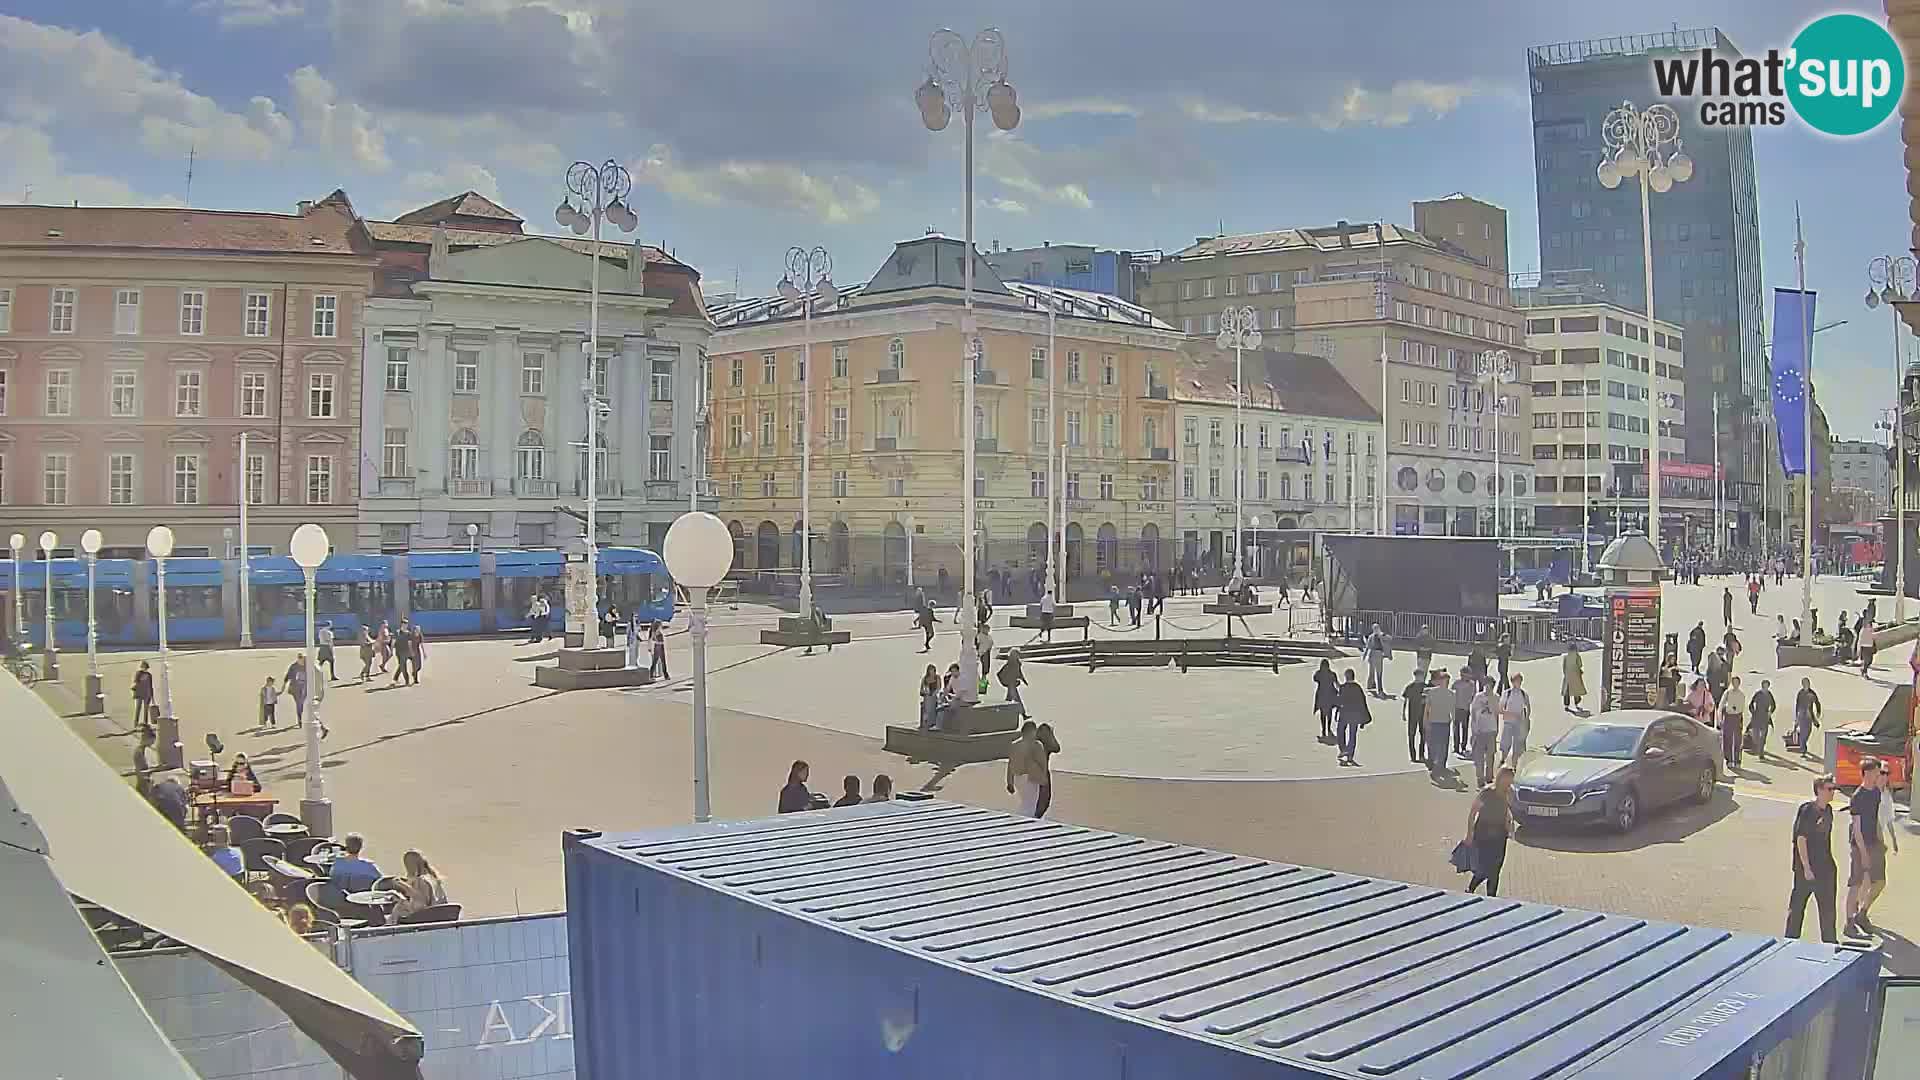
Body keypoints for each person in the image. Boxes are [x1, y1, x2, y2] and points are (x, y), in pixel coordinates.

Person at [1786, 775, 1840, 944]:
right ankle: (1790, 941)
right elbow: (1801, 839)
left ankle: (1830, 942)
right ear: (1819, 790)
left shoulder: (1829, 811)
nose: (1833, 793)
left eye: (1834, 789)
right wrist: (1807, 868)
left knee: (1828, 910)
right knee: (1797, 907)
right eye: (1829, 789)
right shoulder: (1808, 810)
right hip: (1807, 870)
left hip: (1826, 868)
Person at [1846, 758, 1893, 937]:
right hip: (1859, 846)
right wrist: (1864, 853)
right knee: (1856, 885)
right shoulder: (1857, 797)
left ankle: (1862, 913)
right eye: (1875, 772)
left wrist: (1880, 843)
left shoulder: (1876, 793)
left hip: (1874, 844)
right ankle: (1849, 922)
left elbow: (1875, 822)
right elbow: (1856, 829)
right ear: (1866, 773)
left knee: (1879, 881)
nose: (1878, 775)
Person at [1464, 767, 1516, 896]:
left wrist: (1509, 826)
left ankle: (1491, 897)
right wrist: (1469, 834)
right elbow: (1473, 812)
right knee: (1484, 867)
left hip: (1499, 837)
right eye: (1506, 780)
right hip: (1483, 835)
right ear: (1500, 778)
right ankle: (1471, 888)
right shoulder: (1487, 792)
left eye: (1510, 780)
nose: (1508, 783)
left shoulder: (1509, 793)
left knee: (1496, 869)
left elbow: (1507, 811)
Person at [388, 849, 449, 924]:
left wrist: (402, 886)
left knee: (399, 906)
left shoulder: (420, 880)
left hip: (426, 917)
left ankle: (388, 927)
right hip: (441, 915)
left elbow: (420, 904)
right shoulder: (434, 878)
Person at [326, 833, 383, 898]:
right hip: (363, 902)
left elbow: (332, 878)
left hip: (339, 901)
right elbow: (382, 882)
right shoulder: (370, 867)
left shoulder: (338, 863)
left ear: (346, 847)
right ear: (361, 847)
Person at [1423, 670, 1456, 779]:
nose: (1445, 682)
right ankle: (1434, 763)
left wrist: (1454, 721)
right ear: (1438, 681)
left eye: (1447, 681)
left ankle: (1441, 766)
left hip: (1445, 722)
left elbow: (1452, 710)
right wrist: (1426, 722)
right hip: (1433, 721)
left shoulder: (1451, 694)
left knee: (1443, 745)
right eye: (1443, 680)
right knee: (1432, 744)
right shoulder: (1432, 692)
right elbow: (1427, 709)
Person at [1334, 667, 1369, 767]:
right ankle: (1350, 754)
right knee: (1352, 734)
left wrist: (1337, 709)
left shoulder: (1343, 687)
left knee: (1340, 731)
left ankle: (1343, 749)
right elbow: (1363, 702)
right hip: (1355, 714)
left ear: (1346, 677)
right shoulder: (1358, 688)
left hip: (1344, 713)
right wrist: (1363, 718)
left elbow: (1339, 700)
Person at [1469, 677, 1500, 788]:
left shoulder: (1496, 698)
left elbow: (1497, 714)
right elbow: (1473, 713)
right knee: (1479, 757)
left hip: (1491, 730)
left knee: (1490, 756)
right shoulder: (1478, 697)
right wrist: (1473, 729)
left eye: (1489, 685)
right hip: (1480, 731)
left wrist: (1497, 729)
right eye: (1486, 684)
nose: (1487, 687)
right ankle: (1480, 778)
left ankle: (1489, 777)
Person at [1007, 722, 1042, 816]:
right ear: (1031, 732)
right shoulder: (1035, 745)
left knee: (1025, 802)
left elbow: (1010, 765)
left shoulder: (1014, 745)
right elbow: (1040, 763)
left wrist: (1009, 782)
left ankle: (1022, 819)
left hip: (1017, 778)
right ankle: (1024, 821)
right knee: (1030, 804)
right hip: (1030, 778)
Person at [1498, 673, 1532, 770]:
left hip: (1519, 724)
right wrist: (1511, 714)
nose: (1518, 683)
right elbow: (1500, 709)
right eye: (1516, 681)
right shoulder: (1507, 693)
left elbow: (1528, 707)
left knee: (1518, 747)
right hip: (1508, 723)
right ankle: (1503, 760)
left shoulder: (1523, 694)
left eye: (1520, 681)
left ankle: (1514, 767)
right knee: (1505, 744)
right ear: (1512, 682)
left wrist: (1526, 719)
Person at [1720, 675, 1747, 769]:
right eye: (1734, 682)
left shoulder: (1741, 694)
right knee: (1727, 738)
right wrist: (1720, 718)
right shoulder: (1727, 693)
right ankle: (1729, 759)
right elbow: (1721, 705)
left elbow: (1742, 707)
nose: (1735, 684)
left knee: (1738, 740)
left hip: (1737, 717)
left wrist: (1736, 710)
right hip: (1728, 716)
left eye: (1737, 682)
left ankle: (1737, 760)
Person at [1033, 722, 1060, 817]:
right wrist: (1052, 734)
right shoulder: (1046, 745)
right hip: (1042, 774)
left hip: (1033, 774)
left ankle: (1034, 819)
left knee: (1037, 801)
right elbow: (1057, 748)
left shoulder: (1035, 743)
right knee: (1043, 802)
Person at [1792, 677, 1823, 756]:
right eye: (1805, 683)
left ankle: (1803, 744)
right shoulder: (1800, 693)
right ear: (1802, 684)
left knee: (1808, 732)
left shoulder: (1812, 693)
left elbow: (1817, 702)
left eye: (1807, 683)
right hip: (1801, 714)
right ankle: (1803, 749)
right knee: (1802, 732)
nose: (1806, 685)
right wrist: (1797, 716)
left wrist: (1818, 712)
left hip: (1809, 714)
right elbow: (1797, 704)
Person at [1747, 679, 1777, 760]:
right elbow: (1750, 704)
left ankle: (1761, 753)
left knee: (1763, 736)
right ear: (1762, 686)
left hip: (1765, 717)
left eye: (1767, 686)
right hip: (1757, 717)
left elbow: (1773, 705)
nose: (1766, 687)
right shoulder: (1758, 694)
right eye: (1765, 685)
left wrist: (1770, 712)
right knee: (1756, 736)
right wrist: (1753, 712)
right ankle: (1759, 748)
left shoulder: (1769, 694)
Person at [997, 647, 1030, 719]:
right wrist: (1005, 682)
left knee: (1008, 700)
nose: (1019, 656)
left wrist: (1024, 681)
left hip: (1012, 684)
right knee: (1017, 700)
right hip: (1011, 684)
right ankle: (1023, 714)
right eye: (1017, 654)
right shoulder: (1009, 664)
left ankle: (1001, 713)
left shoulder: (1017, 663)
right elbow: (999, 674)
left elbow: (1019, 674)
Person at [1401, 669, 1427, 763]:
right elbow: (1405, 700)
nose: (1419, 677)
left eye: (1421, 676)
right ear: (1415, 676)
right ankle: (1413, 755)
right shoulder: (1410, 687)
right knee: (1411, 734)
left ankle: (1421, 754)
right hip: (1412, 713)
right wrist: (1403, 713)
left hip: (1424, 714)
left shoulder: (1425, 687)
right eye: (1418, 676)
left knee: (1423, 734)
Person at [1313, 659, 1339, 743]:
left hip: (1321, 695)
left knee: (1322, 713)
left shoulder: (1319, 674)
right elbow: (1336, 683)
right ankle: (1328, 728)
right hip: (1330, 694)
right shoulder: (1332, 674)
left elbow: (1315, 679)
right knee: (1329, 712)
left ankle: (1324, 730)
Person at [1363, 623, 1388, 695]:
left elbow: (1386, 644)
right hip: (1373, 654)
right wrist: (1365, 655)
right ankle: (1369, 687)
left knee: (1379, 673)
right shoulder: (1371, 637)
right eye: (1375, 628)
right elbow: (1367, 646)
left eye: (1377, 628)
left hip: (1379, 655)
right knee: (1371, 672)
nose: (1376, 630)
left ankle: (1380, 689)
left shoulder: (1382, 636)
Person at [1562, 643, 1586, 713]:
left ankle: (1566, 705)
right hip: (1575, 675)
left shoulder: (1566, 656)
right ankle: (1577, 704)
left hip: (1568, 676)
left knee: (1567, 691)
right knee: (1576, 690)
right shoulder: (1577, 656)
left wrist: (1566, 674)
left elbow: (1564, 667)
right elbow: (1580, 665)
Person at [285, 657, 308, 726]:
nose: (301, 660)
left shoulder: (308, 666)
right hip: (295, 688)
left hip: (304, 687)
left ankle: (300, 715)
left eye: (303, 659)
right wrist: (283, 687)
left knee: (301, 703)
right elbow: (287, 677)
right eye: (300, 658)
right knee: (298, 703)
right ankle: (299, 718)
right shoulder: (294, 666)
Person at [918, 665, 940, 730]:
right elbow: (921, 690)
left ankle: (930, 721)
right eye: (930, 670)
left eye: (933, 670)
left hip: (934, 695)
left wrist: (933, 693)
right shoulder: (925, 678)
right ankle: (927, 722)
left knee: (931, 700)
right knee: (927, 700)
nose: (932, 672)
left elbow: (938, 688)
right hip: (927, 695)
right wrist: (926, 692)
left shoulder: (937, 677)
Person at [133, 661, 155, 726]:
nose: (144, 668)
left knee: (146, 709)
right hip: (139, 694)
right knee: (138, 708)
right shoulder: (138, 673)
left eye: (145, 667)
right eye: (143, 667)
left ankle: (145, 722)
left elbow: (151, 686)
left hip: (147, 694)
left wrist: (152, 696)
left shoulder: (149, 675)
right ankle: (136, 722)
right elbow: (135, 682)